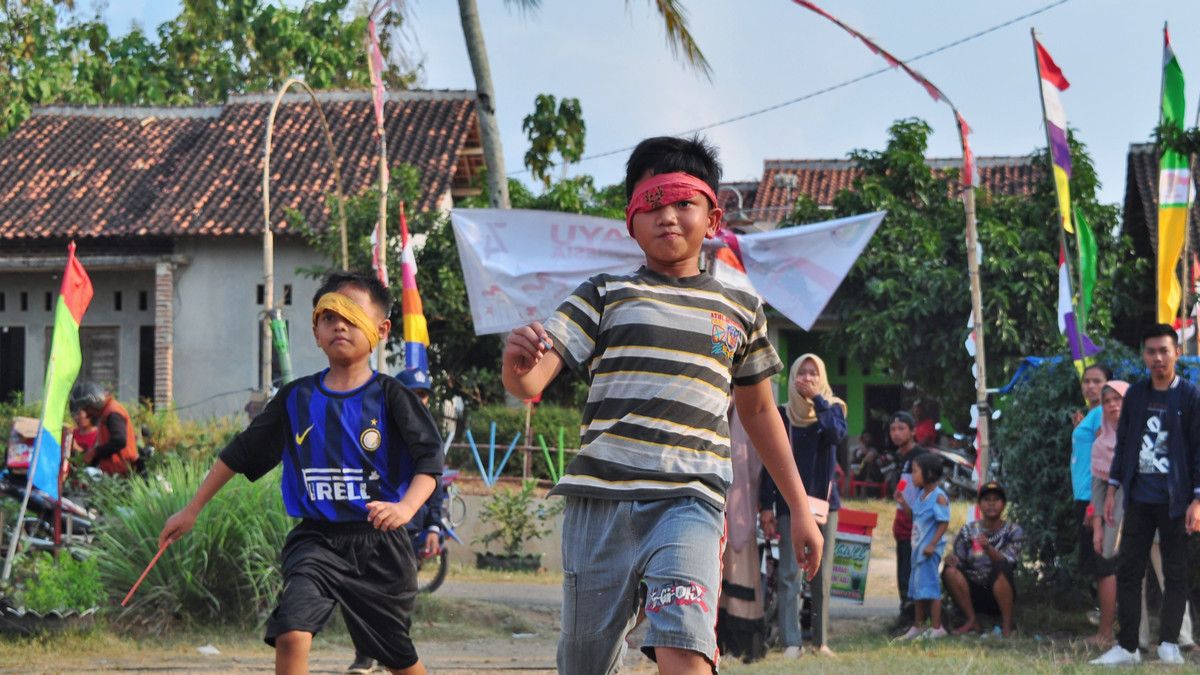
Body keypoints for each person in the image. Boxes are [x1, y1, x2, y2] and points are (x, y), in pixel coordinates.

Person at [500, 135, 824, 674]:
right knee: (585, 664)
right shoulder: (603, 293)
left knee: (684, 645)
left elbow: (762, 412)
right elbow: (531, 379)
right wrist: (517, 365)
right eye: (651, 204)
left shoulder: (741, 309)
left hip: (688, 502)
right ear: (631, 221)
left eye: (682, 203)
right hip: (599, 505)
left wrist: (798, 509)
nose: (667, 216)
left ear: (713, 217)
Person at [158, 271, 443, 675]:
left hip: (382, 547)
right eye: (328, 316)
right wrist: (191, 510)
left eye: (351, 315)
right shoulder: (296, 399)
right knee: (291, 631)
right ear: (315, 330)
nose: (339, 324)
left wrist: (406, 507)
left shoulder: (392, 396)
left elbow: (430, 461)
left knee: (399, 659)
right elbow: (240, 453)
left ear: (380, 329)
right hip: (316, 541)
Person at [1091, 324, 1200, 667]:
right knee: (1128, 570)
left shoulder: (1190, 396)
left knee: (1176, 572)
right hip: (1138, 497)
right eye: (1151, 351)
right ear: (1144, 356)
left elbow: (1198, 451)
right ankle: (1127, 647)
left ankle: (1169, 642)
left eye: (1164, 351)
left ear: (1176, 354)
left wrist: (1197, 500)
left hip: (1176, 500)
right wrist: (1112, 489)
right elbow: (1123, 445)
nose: (1157, 358)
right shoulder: (1136, 395)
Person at [348, 367, 445, 675]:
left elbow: (435, 486)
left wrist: (433, 526)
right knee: (364, 592)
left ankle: (393, 655)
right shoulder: (374, 433)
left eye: (423, 395)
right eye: (412, 395)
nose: (419, 401)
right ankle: (365, 657)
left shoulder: (428, 435)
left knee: (398, 597)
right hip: (371, 525)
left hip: (409, 530)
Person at [760, 353, 846, 658]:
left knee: (822, 574)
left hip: (825, 505)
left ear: (821, 378)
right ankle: (791, 641)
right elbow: (770, 461)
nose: (807, 378)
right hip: (788, 505)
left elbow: (836, 435)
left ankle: (821, 641)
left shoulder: (833, 409)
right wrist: (765, 505)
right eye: (802, 373)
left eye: (814, 373)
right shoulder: (782, 414)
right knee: (789, 573)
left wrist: (818, 400)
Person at [716, 408, 767, 663]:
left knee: (740, 573)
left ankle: (742, 646)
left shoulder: (749, 410)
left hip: (740, 510)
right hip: (711, 509)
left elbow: (763, 462)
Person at [942, 481, 1024, 637]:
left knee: (1002, 567)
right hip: (973, 591)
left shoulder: (1014, 530)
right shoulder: (968, 530)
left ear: (1004, 504)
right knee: (950, 571)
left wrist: (988, 548)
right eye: (987, 500)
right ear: (979, 504)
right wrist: (951, 559)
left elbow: (1010, 561)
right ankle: (972, 620)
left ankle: (1007, 625)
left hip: (999, 591)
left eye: (996, 500)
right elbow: (959, 560)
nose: (991, 504)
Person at [1087, 379, 1129, 648]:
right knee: (1119, 570)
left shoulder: (1140, 434)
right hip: (1113, 517)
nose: (1113, 405)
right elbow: (1098, 489)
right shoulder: (1101, 443)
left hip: (1148, 513)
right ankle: (1127, 635)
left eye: (1118, 398)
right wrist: (1098, 525)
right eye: (1107, 401)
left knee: (1161, 572)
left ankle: (1177, 638)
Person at [896, 452, 950, 640]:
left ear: (929, 473)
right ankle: (918, 625)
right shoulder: (921, 495)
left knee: (931, 589)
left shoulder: (939, 497)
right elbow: (915, 518)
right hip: (917, 551)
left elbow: (944, 522)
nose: (912, 476)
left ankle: (937, 627)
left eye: (916, 471)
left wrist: (932, 544)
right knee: (919, 589)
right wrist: (903, 503)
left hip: (928, 552)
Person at [1071, 364, 1110, 591]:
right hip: (1084, 493)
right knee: (1094, 559)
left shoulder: (1102, 413)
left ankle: (1108, 614)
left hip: (1092, 495)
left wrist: (1095, 503)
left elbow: (1105, 456)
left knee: (1101, 559)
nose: (1091, 386)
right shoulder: (1092, 415)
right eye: (1087, 381)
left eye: (1097, 381)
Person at [889, 411, 927, 624]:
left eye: (901, 428)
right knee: (903, 572)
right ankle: (905, 616)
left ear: (913, 431)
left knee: (913, 573)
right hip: (902, 523)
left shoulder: (920, 457)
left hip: (917, 524)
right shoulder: (899, 458)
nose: (896, 433)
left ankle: (914, 619)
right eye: (893, 429)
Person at [67, 380, 139, 476]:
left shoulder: (113, 412)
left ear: (94, 402)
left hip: (123, 472)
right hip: (114, 472)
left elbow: (119, 440)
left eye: (86, 409)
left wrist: (95, 452)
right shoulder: (107, 413)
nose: (88, 414)